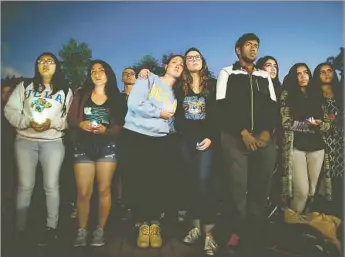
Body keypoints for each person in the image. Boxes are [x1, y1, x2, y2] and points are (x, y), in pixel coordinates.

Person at [216, 33, 278, 254]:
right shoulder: (227, 72)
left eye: (256, 46)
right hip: (235, 136)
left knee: (261, 186)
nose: (253, 49)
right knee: (237, 186)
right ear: (238, 49)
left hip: (262, 137)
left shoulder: (264, 76)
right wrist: (242, 132)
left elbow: (272, 107)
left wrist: (266, 133)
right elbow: (221, 106)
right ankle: (237, 231)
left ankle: (255, 231)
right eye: (249, 45)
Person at [4, 52, 73, 246]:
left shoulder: (65, 90)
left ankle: (52, 227)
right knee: (25, 185)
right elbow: (10, 110)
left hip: (53, 142)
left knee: (51, 186)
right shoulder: (24, 86)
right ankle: (20, 228)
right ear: (36, 65)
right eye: (41, 61)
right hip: (25, 141)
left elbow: (67, 120)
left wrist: (52, 122)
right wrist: (27, 122)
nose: (45, 64)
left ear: (56, 66)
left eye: (50, 61)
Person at [120, 55, 183, 249]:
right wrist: (158, 113)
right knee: (139, 180)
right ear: (166, 66)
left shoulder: (178, 91)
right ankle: (142, 225)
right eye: (174, 62)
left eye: (181, 64)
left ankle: (154, 225)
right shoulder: (148, 78)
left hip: (162, 139)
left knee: (158, 182)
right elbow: (134, 103)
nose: (178, 66)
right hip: (137, 135)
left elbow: (173, 120)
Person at [68, 60, 123, 247]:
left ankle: (100, 230)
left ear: (108, 73)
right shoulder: (81, 94)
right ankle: (82, 231)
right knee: (83, 191)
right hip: (83, 146)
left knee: (104, 189)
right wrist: (80, 124)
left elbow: (122, 125)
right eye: (93, 71)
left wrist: (106, 131)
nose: (97, 73)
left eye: (101, 70)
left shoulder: (116, 96)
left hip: (107, 146)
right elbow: (71, 118)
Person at [280, 63, 332, 214]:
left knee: (312, 192)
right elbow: (286, 122)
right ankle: (292, 224)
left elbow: (327, 123)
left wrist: (321, 124)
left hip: (317, 147)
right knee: (301, 192)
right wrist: (307, 125)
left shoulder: (317, 94)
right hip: (296, 146)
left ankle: (305, 226)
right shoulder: (287, 94)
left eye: (305, 73)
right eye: (298, 73)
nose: (303, 76)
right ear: (293, 77)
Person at [313, 62, 344, 219]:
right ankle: (322, 219)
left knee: (339, 179)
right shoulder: (314, 96)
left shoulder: (341, 95)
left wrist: (337, 119)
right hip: (321, 141)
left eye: (329, 71)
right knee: (322, 181)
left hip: (340, 141)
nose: (326, 74)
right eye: (322, 72)